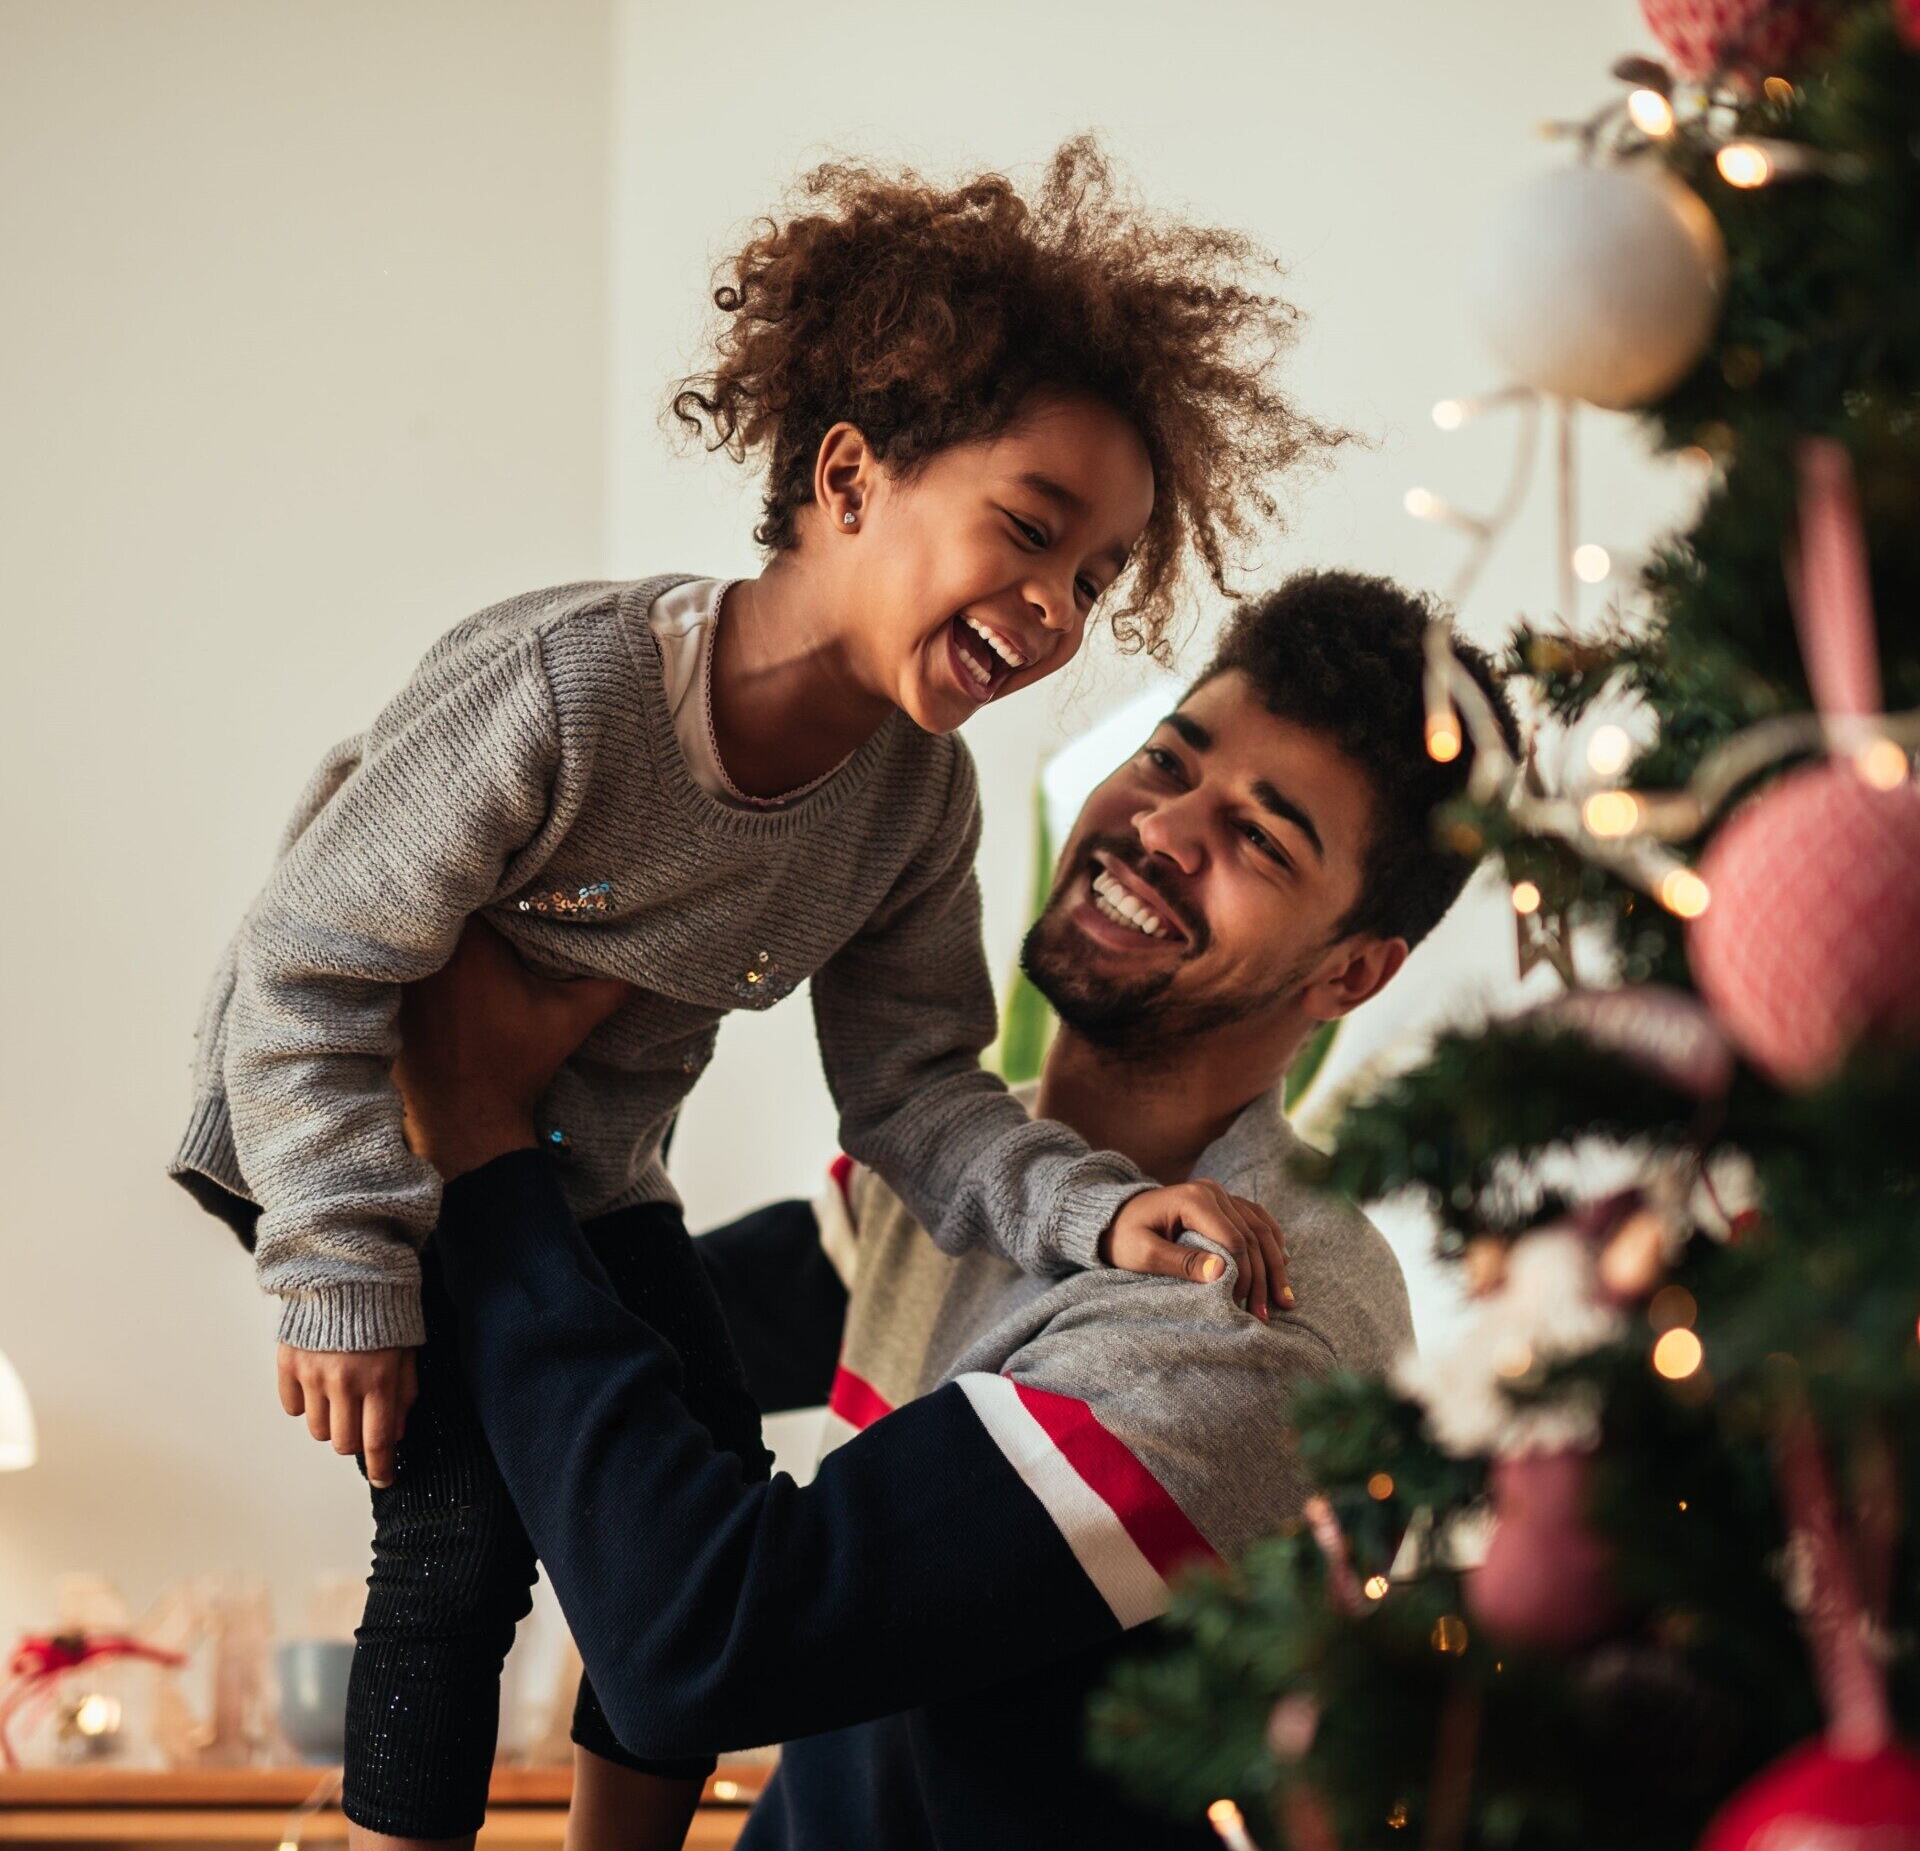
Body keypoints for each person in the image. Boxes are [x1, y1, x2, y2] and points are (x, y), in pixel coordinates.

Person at [167, 141, 1329, 1851]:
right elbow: (310, 966)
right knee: (463, 1541)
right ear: (851, 475)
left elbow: (920, 1093)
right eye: (1028, 531)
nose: (1057, 609)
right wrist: (340, 1263)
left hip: (579, 1174)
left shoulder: (911, 802)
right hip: (340, 1122)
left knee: (701, 1482)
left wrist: (1099, 1216)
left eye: (1097, 574)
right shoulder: (570, 697)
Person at [396, 572, 1520, 1849]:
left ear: (1352, 970)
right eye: (1169, 760)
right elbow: (595, 1363)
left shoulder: (1250, 1311)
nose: (1165, 830)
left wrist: (482, 1130)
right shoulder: (964, 1178)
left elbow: (701, 1642)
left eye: (1263, 838)